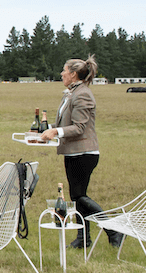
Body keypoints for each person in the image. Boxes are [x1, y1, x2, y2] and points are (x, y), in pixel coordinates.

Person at [36, 55, 122, 249]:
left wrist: (56, 132)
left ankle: (112, 230)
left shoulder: (81, 94)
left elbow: (79, 128)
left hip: (84, 153)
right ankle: (84, 238)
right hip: (73, 153)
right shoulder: (71, 93)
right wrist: (47, 129)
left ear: (73, 74)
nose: (62, 73)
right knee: (77, 196)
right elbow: (64, 123)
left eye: (64, 70)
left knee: (79, 196)